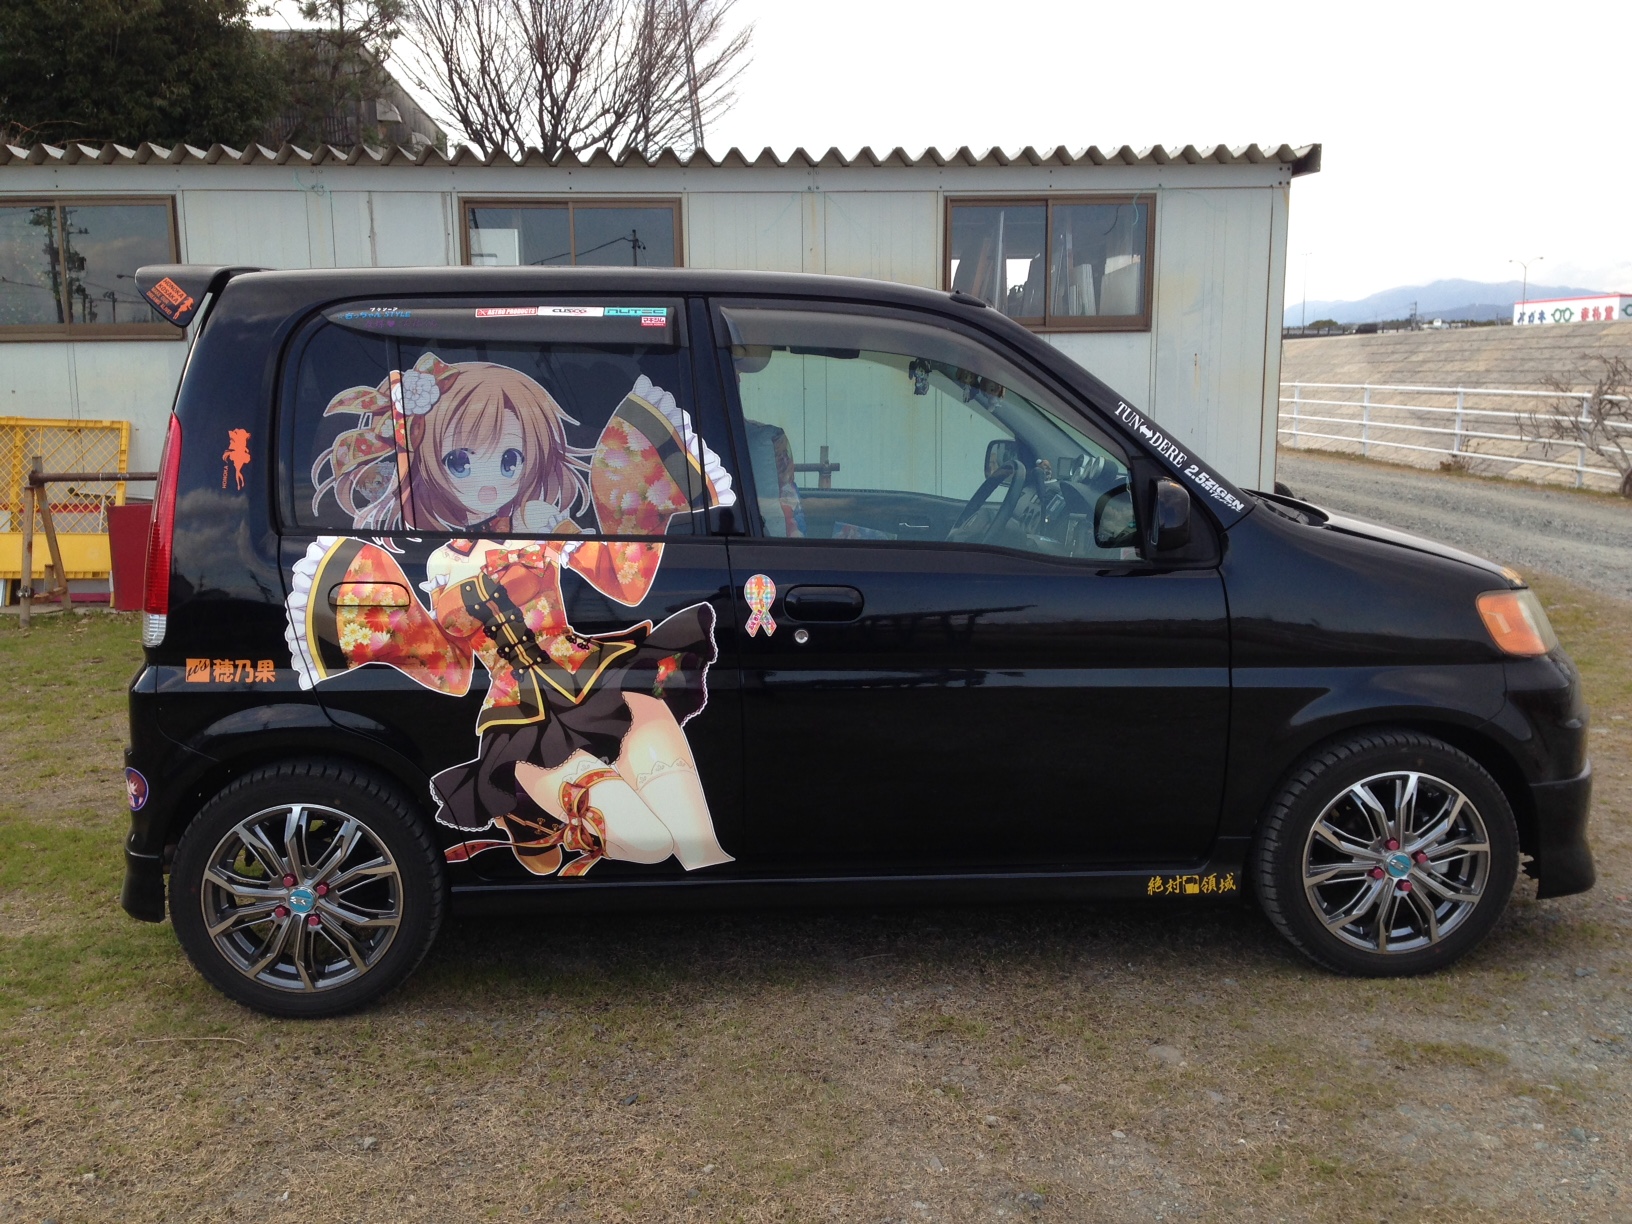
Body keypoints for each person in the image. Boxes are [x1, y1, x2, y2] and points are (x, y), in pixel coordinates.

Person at [287, 352, 736, 877]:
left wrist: (566, 532)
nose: (487, 484)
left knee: (701, 848)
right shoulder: (439, 565)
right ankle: (533, 814)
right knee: (651, 844)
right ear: (428, 464)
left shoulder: (540, 523)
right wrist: (396, 628)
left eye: (510, 461)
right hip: (518, 722)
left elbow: (624, 581)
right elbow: (454, 669)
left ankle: (729, 910)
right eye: (459, 461)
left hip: (600, 679)